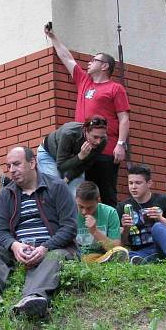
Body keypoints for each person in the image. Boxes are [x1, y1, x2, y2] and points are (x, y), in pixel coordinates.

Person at [0, 147, 78, 318]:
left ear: (32, 163)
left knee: (56, 256)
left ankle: (33, 297)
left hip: (52, 248)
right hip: (19, 250)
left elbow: (69, 227)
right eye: (8, 166)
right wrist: (14, 246)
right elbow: (0, 231)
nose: (11, 170)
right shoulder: (8, 193)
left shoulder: (57, 187)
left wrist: (45, 247)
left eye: (16, 164)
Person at [45, 25, 130, 207]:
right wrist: (53, 37)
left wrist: (121, 145)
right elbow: (66, 57)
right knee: (85, 195)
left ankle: (110, 233)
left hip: (106, 150)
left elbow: (124, 118)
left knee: (106, 194)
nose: (89, 63)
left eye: (94, 60)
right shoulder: (84, 82)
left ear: (105, 66)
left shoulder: (115, 88)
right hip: (82, 151)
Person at [118, 164, 166, 264]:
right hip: (140, 251)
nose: (133, 187)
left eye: (138, 183)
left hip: (164, 247)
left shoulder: (163, 200)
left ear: (149, 183)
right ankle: (147, 260)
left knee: (158, 226)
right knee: (129, 256)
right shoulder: (122, 206)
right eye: (130, 183)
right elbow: (121, 243)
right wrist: (126, 228)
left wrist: (161, 219)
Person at [36, 116, 108, 198]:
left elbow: (86, 165)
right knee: (55, 191)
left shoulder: (103, 142)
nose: (98, 142)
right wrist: (80, 156)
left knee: (76, 194)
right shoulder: (69, 133)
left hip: (73, 160)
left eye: (101, 137)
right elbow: (61, 166)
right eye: (95, 137)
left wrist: (68, 178)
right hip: (49, 155)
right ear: (86, 131)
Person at [75, 181, 127, 263]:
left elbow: (115, 248)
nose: (84, 211)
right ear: (75, 200)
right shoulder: (70, 212)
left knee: (120, 250)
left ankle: (99, 262)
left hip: (103, 254)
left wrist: (95, 231)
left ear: (98, 200)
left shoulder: (110, 213)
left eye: (89, 208)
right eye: (80, 207)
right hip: (77, 256)